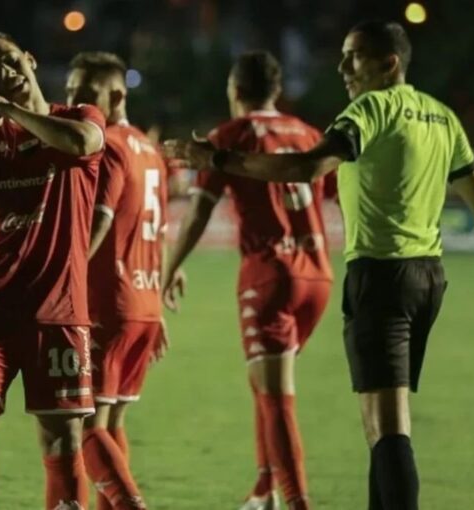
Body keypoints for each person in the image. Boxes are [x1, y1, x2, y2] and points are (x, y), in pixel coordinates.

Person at [164, 21, 474, 510]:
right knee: (380, 424)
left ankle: (293, 497)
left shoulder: (368, 109)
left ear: (389, 63)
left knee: (386, 426)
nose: (343, 66)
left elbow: (306, 168)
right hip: (426, 278)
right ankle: (268, 489)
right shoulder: (441, 116)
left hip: (377, 276)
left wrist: (217, 159)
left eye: (355, 56)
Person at [0, 31, 106, 510]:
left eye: (11, 61)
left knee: (62, 439)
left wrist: (11, 111)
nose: (7, 73)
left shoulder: (79, 117)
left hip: (59, 312)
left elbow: (82, 143)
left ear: (30, 58)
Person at [163, 51, 334, 510]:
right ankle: (263, 490)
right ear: (276, 90)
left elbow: (198, 210)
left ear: (235, 90)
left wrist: (170, 265)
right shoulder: (308, 133)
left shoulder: (230, 136)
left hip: (270, 275)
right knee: (265, 383)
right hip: (318, 275)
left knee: (276, 395)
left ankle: (296, 502)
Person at [65, 51, 171, 510]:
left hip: (108, 301)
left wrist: (62, 278)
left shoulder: (106, 144)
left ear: (118, 96)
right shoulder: (149, 148)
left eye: (87, 94)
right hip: (143, 303)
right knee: (112, 425)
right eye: (70, 92)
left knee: (86, 429)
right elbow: (157, 231)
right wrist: (157, 305)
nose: (75, 103)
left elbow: (99, 221)